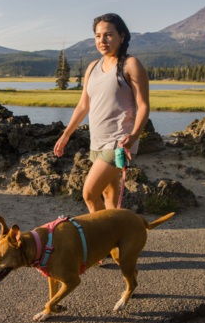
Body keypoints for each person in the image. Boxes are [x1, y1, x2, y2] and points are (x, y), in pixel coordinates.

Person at [54, 13, 150, 213]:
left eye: (108, 35)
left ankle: (98, 238)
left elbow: (143, 106)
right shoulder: (92, 67)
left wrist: (133, 137)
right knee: (109, 197)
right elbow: (83, 106)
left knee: (89, 193)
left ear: (121, 36)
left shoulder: (131, 64)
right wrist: (66, 134)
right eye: (98, 36)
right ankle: (114, 241)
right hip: (97, 141)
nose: (102, 40)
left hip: (119, 142)